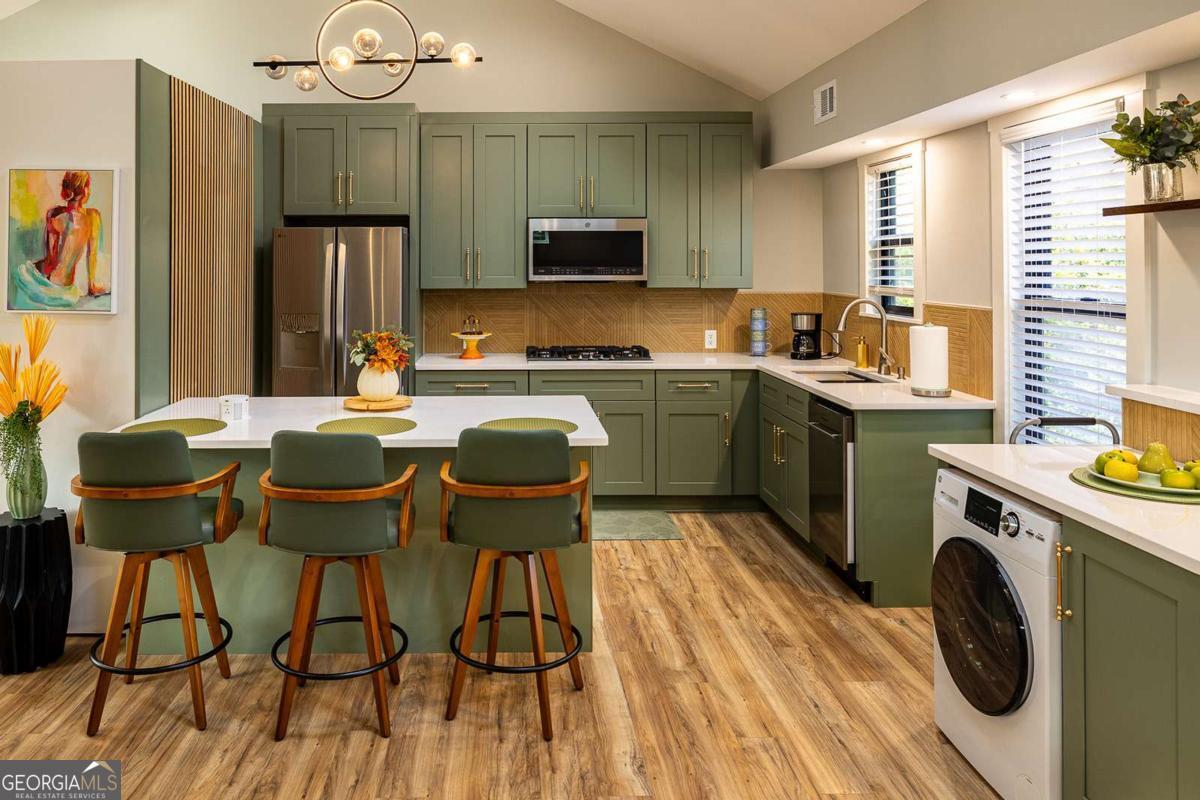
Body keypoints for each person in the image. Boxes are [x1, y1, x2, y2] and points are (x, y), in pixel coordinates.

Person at [12, 170, 109, 309]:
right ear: (84, 191)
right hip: (67, 293)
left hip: (49, 286)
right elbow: (91, 256)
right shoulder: (94, 217)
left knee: (21, 271)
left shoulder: (55, 214)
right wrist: (92, 286)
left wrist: (32, 268)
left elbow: (51, 262)